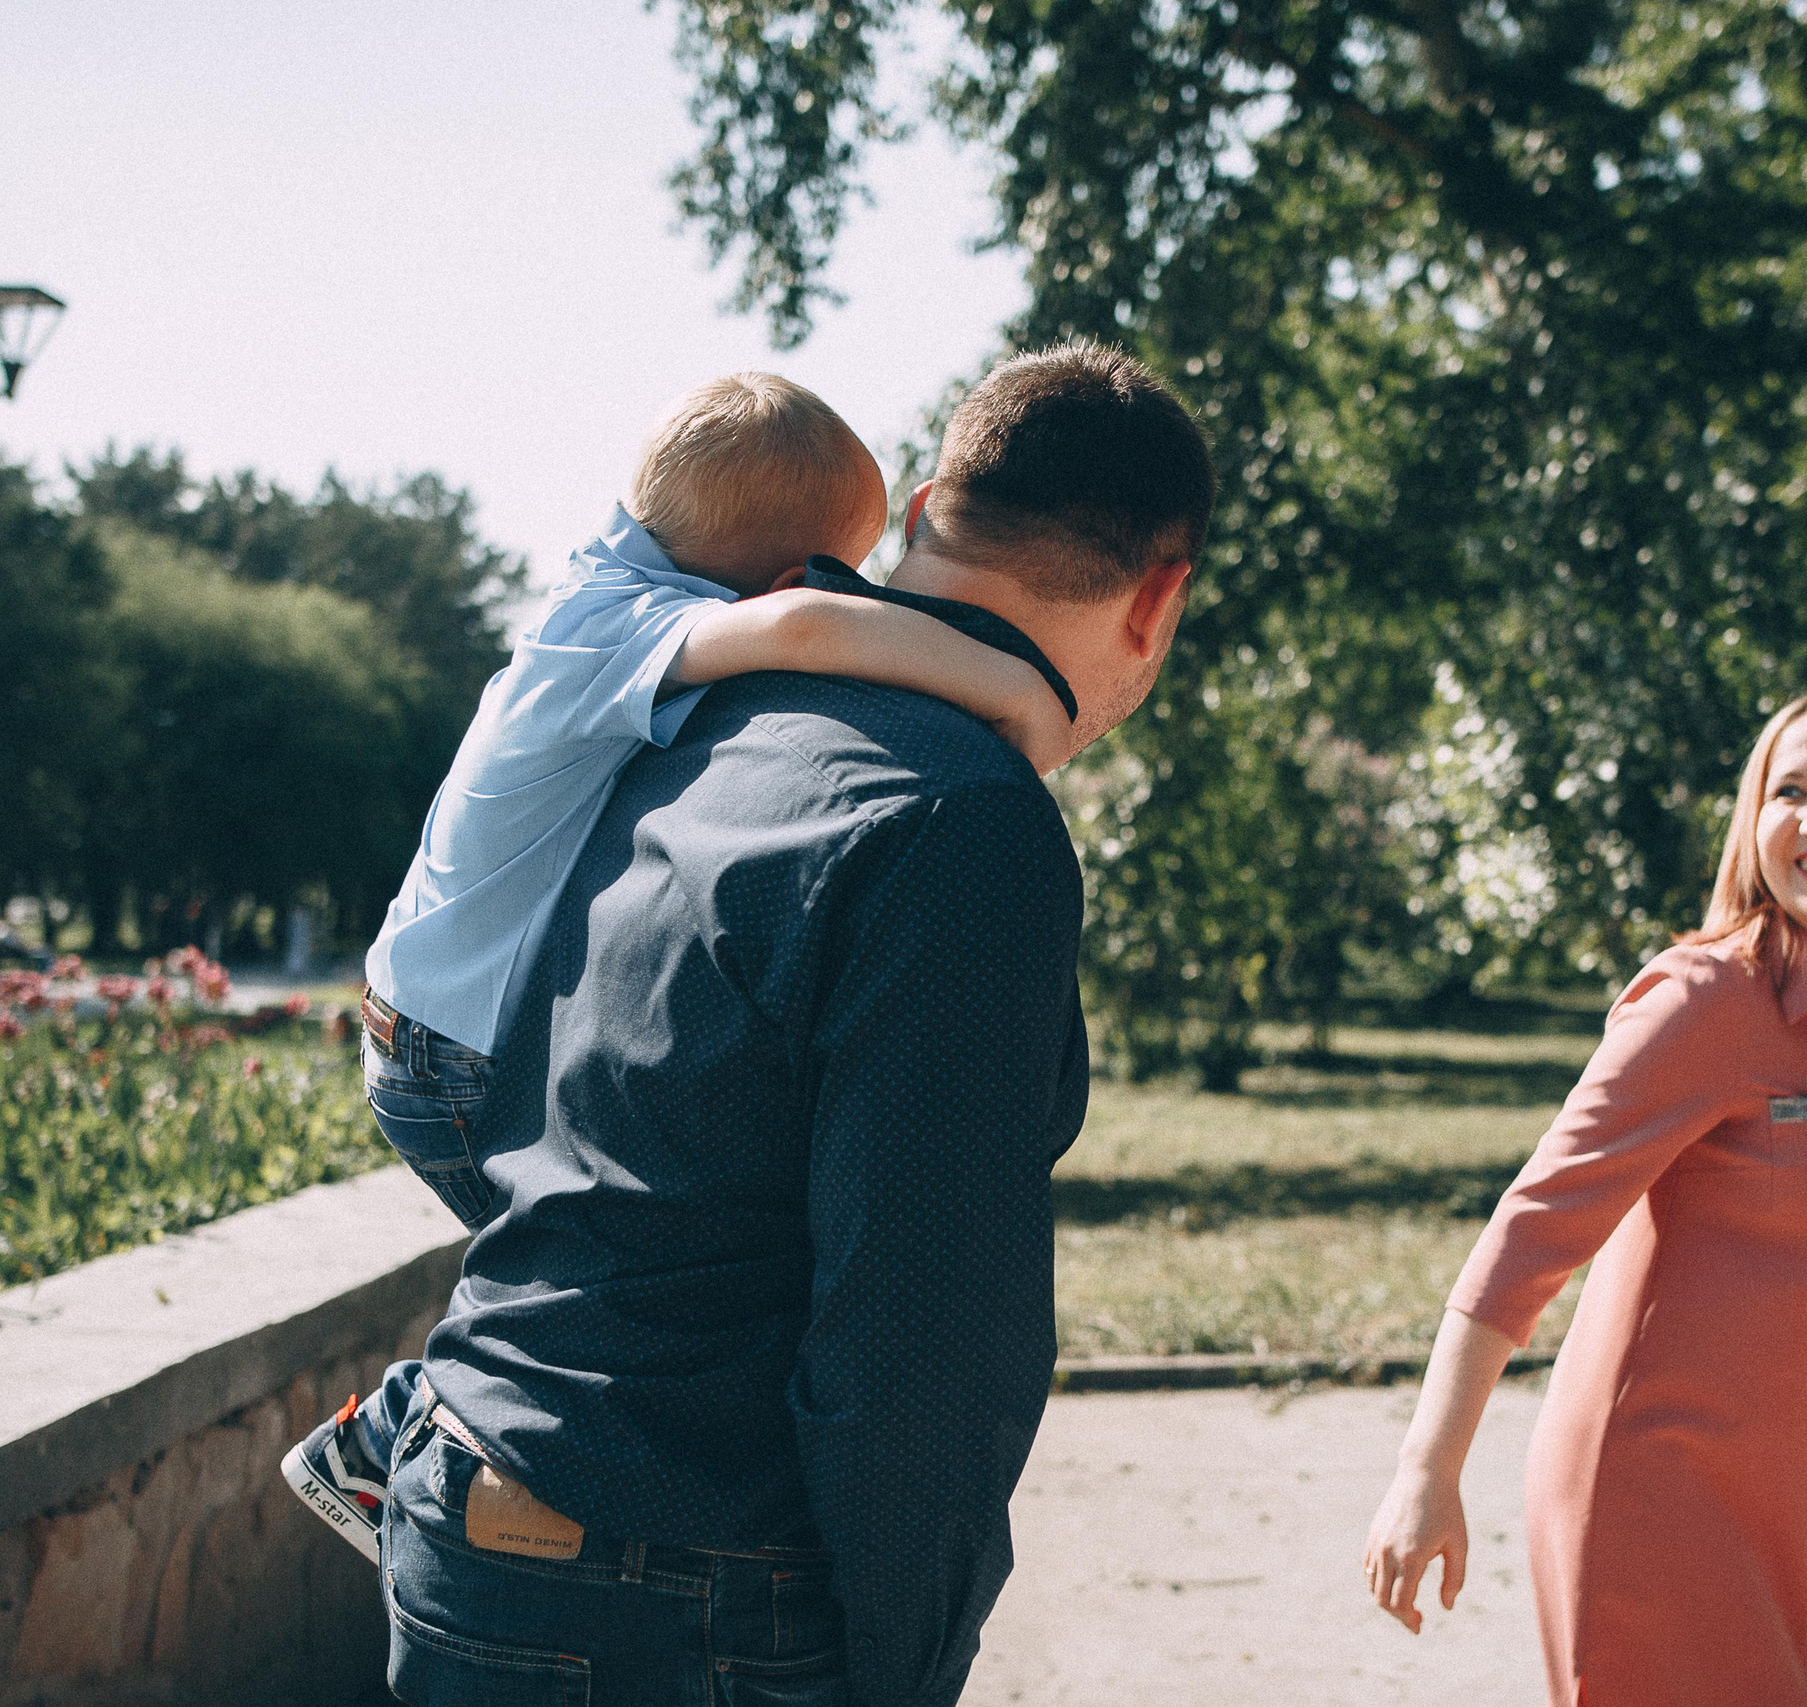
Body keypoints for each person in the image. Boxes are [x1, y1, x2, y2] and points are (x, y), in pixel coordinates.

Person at [367, 342, 1214, 1706]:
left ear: (927, 509)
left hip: (471, 1512)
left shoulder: (703, 712)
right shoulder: (962, 823)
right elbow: (919, 1336)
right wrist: (909, 1664)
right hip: (678, 1587)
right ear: (1159, 596)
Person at [280, 372, 1076, 1560]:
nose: (847, 598)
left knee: (602, 1261)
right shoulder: (610, 622)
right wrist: (1020, 694)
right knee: (593, 1266)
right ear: (774, 577)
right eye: (842, 569)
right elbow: (808, 633)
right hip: (449, 1050)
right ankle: (395, 1432)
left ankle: (398, 1434)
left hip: (440, 1020)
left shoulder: (619, 600)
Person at [1363, 690, 1807, 1705]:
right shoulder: (1705, 999)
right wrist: (1427, 1472)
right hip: (1654, 1503)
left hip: (1788, 1513)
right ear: (1752, 823)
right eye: (1788, 792)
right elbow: (1529, 1235)